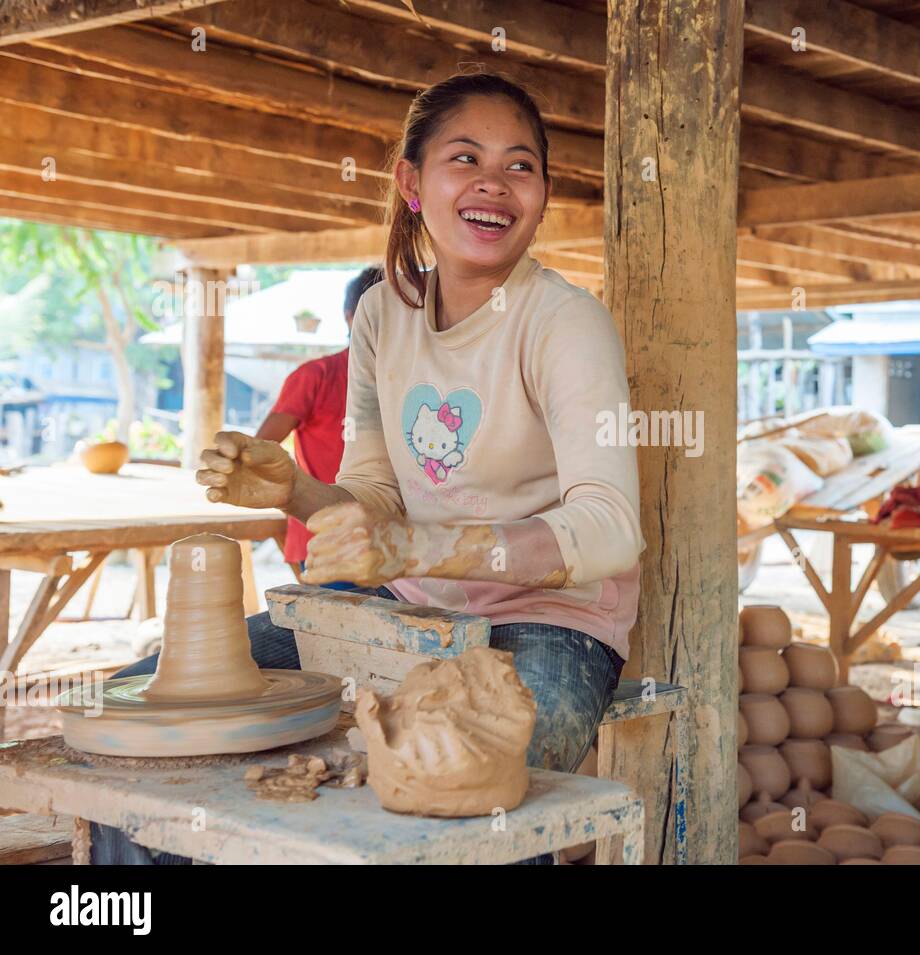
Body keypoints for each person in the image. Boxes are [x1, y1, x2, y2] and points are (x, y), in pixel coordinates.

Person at [91, 73, 643, 864]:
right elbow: (375, 496)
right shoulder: (383, 314)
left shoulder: (565, 323)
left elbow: (610, 528)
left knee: (460, 785)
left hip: (549, 624)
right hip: (405, 606)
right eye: (465, 158)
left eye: (520, 166)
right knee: (140, 722)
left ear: (544, 196)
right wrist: (292, 489)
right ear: (411, 182)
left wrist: (414, 549)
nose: (494, 182)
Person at [256, 267, 383, 581]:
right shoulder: (316, 377)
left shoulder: (409, 382)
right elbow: (259, 451)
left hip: (391, 543)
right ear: (350, 317)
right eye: (377, 315)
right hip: (323, 541)